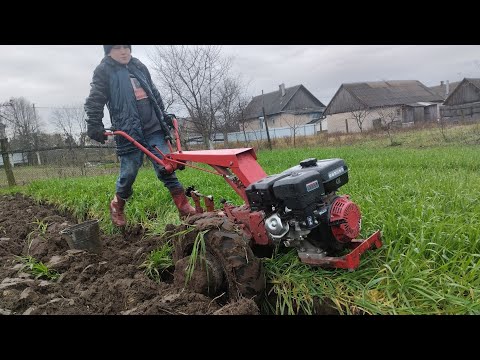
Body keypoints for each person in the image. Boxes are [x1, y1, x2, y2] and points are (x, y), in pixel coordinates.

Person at [84, 45, 196, 227]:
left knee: (166, 167)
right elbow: (95, 98)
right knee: (129, 172)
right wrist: (94, 124)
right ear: (108, 51)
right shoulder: (104, 70)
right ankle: (117, 205)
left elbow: (153, 93)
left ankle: (184, 208)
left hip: (153, 128)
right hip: (129, 132)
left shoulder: (139, 66)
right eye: (118, 48)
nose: (123, 52)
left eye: (126, 47)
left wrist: (163, 115)